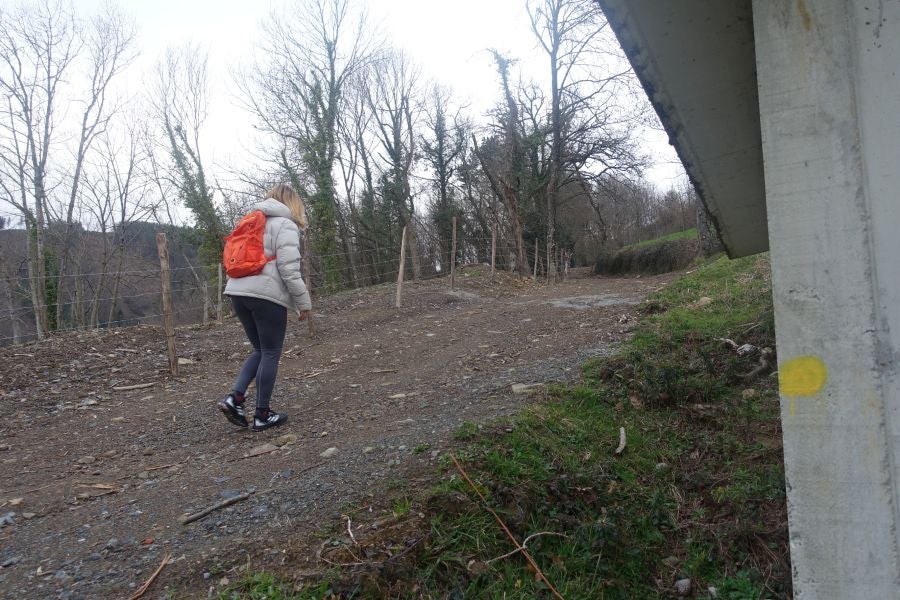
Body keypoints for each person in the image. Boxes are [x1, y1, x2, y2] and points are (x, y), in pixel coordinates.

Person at [218, 183, 311, 431]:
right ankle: (262, 414)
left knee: (259, 349)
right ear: (293, 203)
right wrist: (303, 303)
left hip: (237, 290)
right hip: (265, 295)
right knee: (270, 352)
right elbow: (289, 270)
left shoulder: (250, 221)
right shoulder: (286, 224)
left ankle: (235, 398)